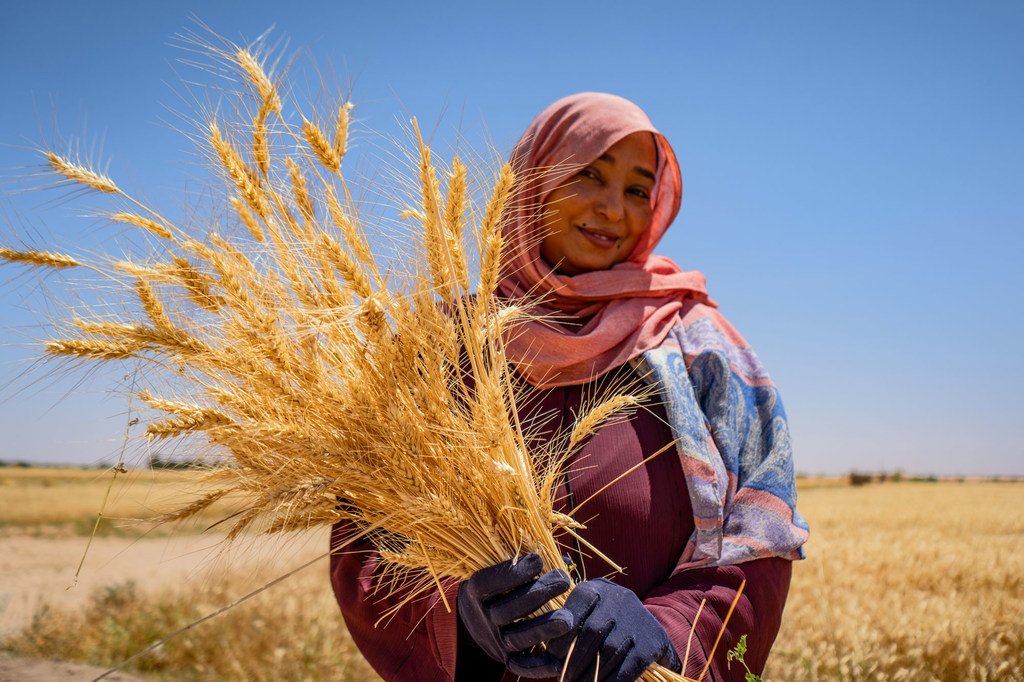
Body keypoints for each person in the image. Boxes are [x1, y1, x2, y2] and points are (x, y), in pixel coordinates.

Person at [330, 92, 809, 682]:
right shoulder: (441, 347)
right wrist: (458, 614)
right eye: (589, 176)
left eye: (638, 190)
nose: (614, 209)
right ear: (532, 183)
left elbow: (760, 540)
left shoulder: (700, 349)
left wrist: (671, 630)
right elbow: (366, 538)